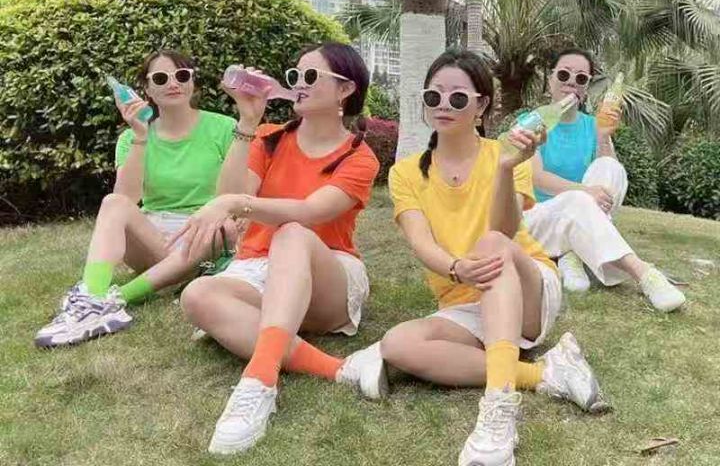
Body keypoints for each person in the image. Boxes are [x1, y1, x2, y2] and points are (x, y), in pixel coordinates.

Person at [380, 48, 606, 466]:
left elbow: (504, 232)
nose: (443, 105)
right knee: (397, 345)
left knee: (492, 243)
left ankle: (499, 405)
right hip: (464, 300)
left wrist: (504, 169)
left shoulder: (506, 154)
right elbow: (420, 241)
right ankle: (545, 373)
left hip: (527, 288)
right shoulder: (406, 172)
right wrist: (455, 268)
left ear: (481, 105)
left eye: (457, 98)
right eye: (433, 96)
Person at [177, 42, 383, 456]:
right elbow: (228, 195)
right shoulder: (269, 139)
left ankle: (259, 380)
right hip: (260, 269)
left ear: (346, 89)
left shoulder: (359, 157)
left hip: (328, 275)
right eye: (295, 76)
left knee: (292, 232)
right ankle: (338, 368)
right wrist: (247, 122)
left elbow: (310, 212)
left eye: (311, 76)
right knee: (196, 294)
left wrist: (240, 205)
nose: (299, 84)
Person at [34, 50, 237, 347]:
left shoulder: (224, 128)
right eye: (161, 78)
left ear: (193, 82)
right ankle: (91, 298)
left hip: (203, 232)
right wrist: (141, 136)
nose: (173, 84)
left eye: (182, 76)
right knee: (113, 203)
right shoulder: (131, 138)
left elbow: (237, 192)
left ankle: (114, 299)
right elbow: (127, 198)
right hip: (154, 238)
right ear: (147, 89)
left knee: (220, 226)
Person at [524, 48, 685, 312]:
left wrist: (603, 137)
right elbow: (537, 178)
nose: (571, 83)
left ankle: (573, 253)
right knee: (577, 200)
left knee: (611, 166)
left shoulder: (593, 125)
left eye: (581, 78)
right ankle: (644, 273)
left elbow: (610, 176)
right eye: (563, 74)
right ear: (550, 79)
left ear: (586, 87)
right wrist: (584, 192)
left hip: (583, 213)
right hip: (541, 219)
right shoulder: (533, 121)